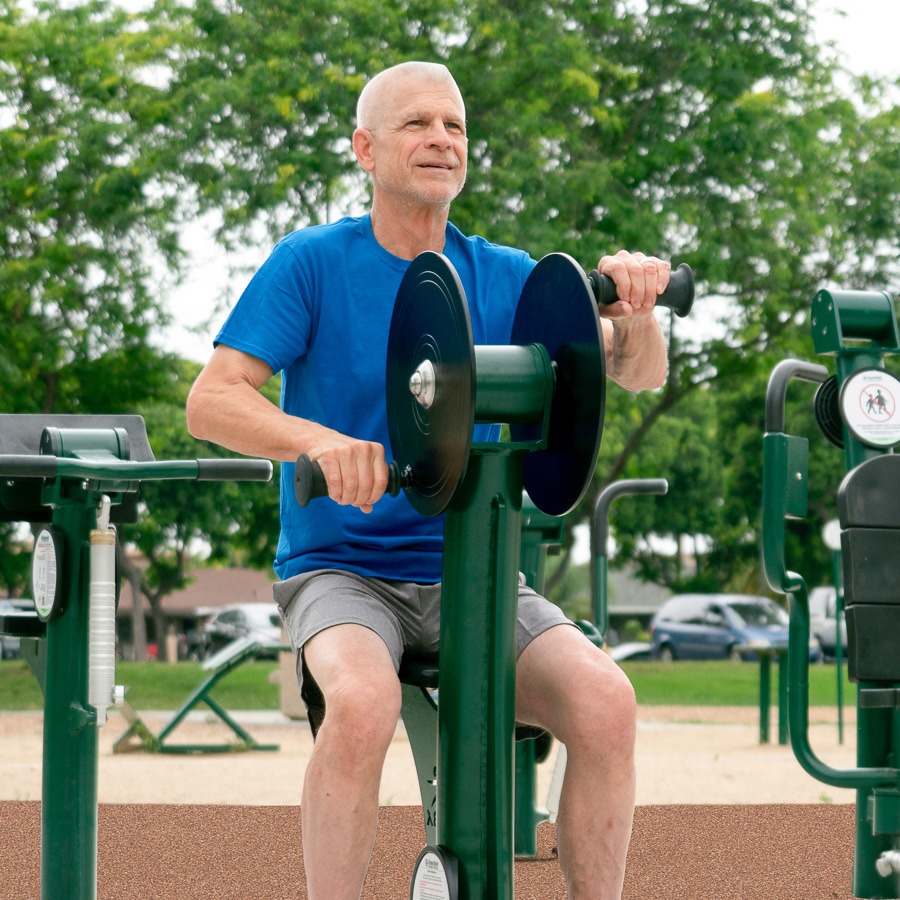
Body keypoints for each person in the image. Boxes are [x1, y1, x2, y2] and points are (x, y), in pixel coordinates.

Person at [187, 60, 669, 900]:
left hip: (476, 568)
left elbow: (634, 374)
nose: (441, 139)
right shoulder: (311, 263)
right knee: (365, 703)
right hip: (343, 570)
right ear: (365, 150)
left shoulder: (507, 275)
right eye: (417, 124)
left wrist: (637, 314)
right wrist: (321, 443)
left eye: (454, 127)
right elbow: (211, 402)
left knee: (607, 702)